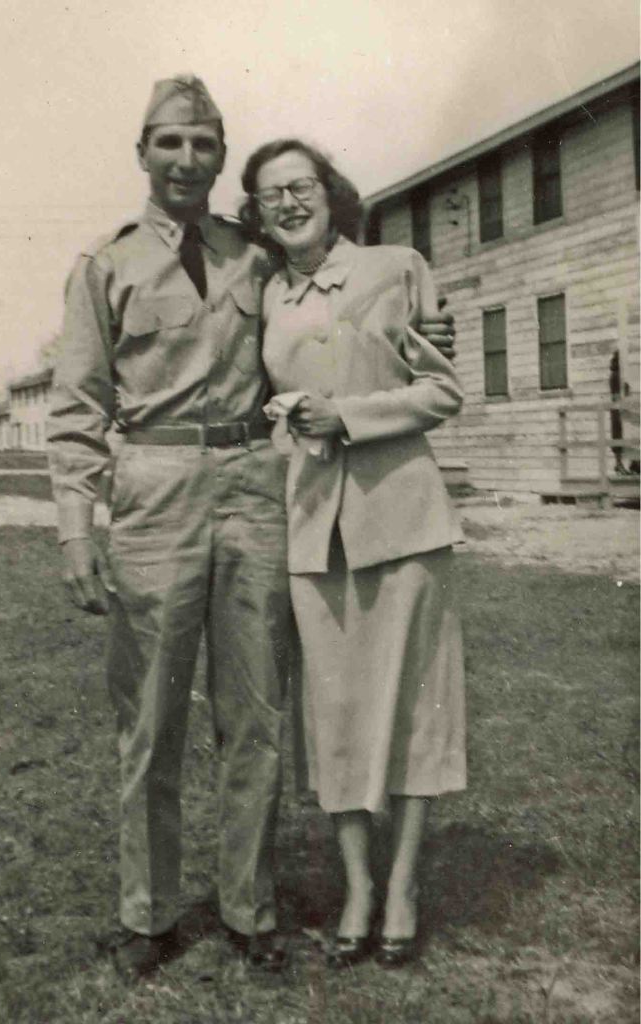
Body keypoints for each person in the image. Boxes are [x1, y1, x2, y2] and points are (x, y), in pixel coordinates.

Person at [46, 77, 457, 980]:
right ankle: (146, 912)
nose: (186, 160)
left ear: (220, 157)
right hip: (153, 487)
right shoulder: (105, 266)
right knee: (150, 714)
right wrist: (78, 527)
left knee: (257, 712)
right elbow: (76, 409)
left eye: (203, 145)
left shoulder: (257, 259)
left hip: (257, 488)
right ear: (143, 153)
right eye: (169, 144)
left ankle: (248, 908)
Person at [240, 138, 466, 969]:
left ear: (332, 192)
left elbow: (444, 388)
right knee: (333, 716)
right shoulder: (266, 295)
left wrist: (350, 415)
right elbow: (262, 398)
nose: (289, 204)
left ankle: (402, 886)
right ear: (258, 214)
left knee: (412, 708)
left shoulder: (397, 267)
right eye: (271, 196)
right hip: (311, 524)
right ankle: (358, 887)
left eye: (301, 186)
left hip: (402, 517)